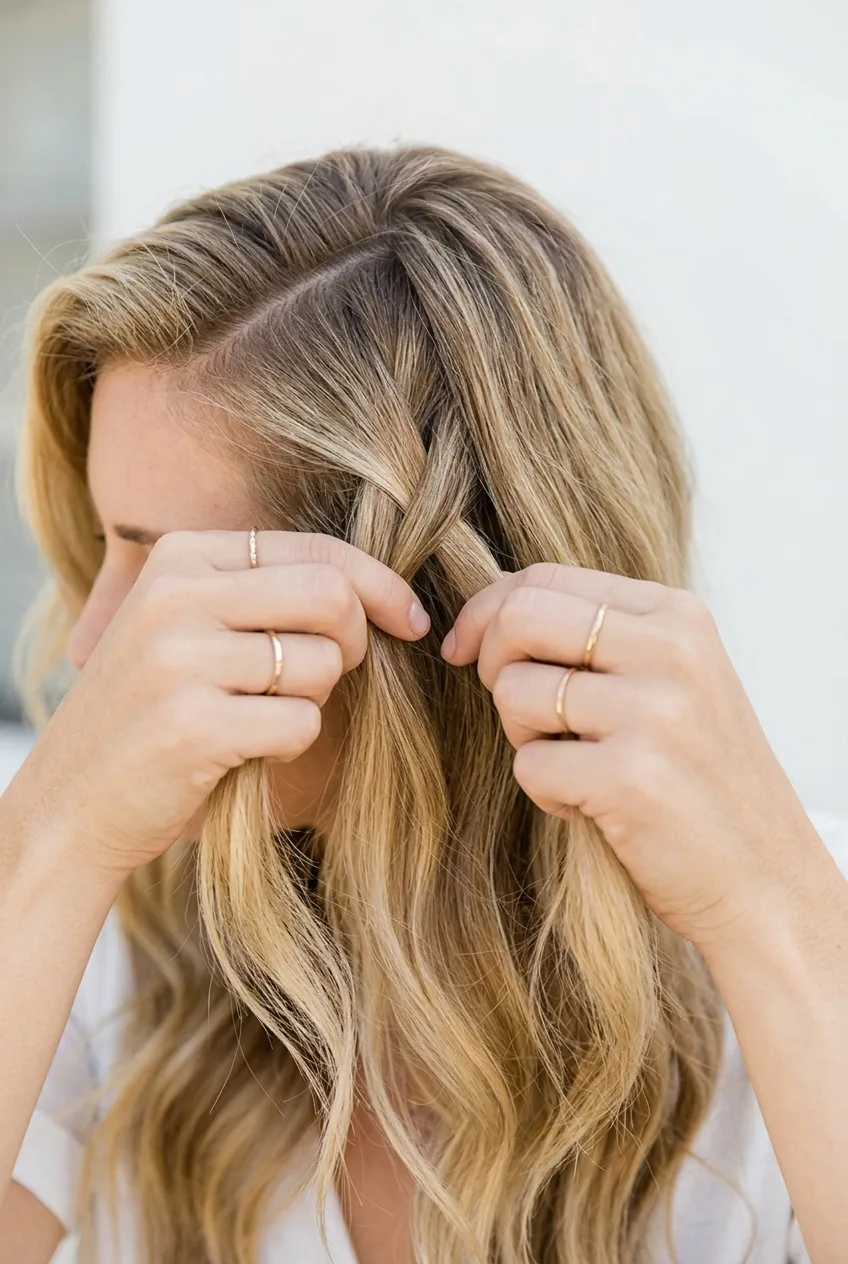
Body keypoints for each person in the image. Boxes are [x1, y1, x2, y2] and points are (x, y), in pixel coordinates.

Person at [0, 143, 845, 1264]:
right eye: (108, 551)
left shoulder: (786, 952)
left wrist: (778, 916)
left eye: (170, 578)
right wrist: (47, 844)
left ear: (417, 612)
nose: (94, 650)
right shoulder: (108, 938)